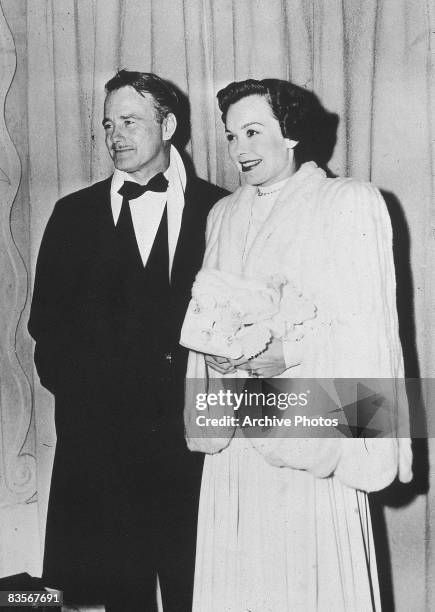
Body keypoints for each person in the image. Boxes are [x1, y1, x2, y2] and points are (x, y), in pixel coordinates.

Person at [183, 79, 413, 611]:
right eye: (231, 135)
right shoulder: (223, 214)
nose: (239, 149)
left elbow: (369, 328)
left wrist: (288, 354)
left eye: (253, 132)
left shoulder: (348, 201)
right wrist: (217, 354)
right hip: (238, 439)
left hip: (313, 435)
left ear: (290, 135)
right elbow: (210, 317)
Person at [28, 70, 227, 612]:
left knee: (202, 587)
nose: (116, 135)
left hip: (197, 447)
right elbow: (46, 328)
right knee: (117, 594)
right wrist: (88, 398)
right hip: (103, 448)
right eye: (108, 124)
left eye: (131, 121)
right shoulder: (72, 214)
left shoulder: (224, 210)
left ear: (168, 124)